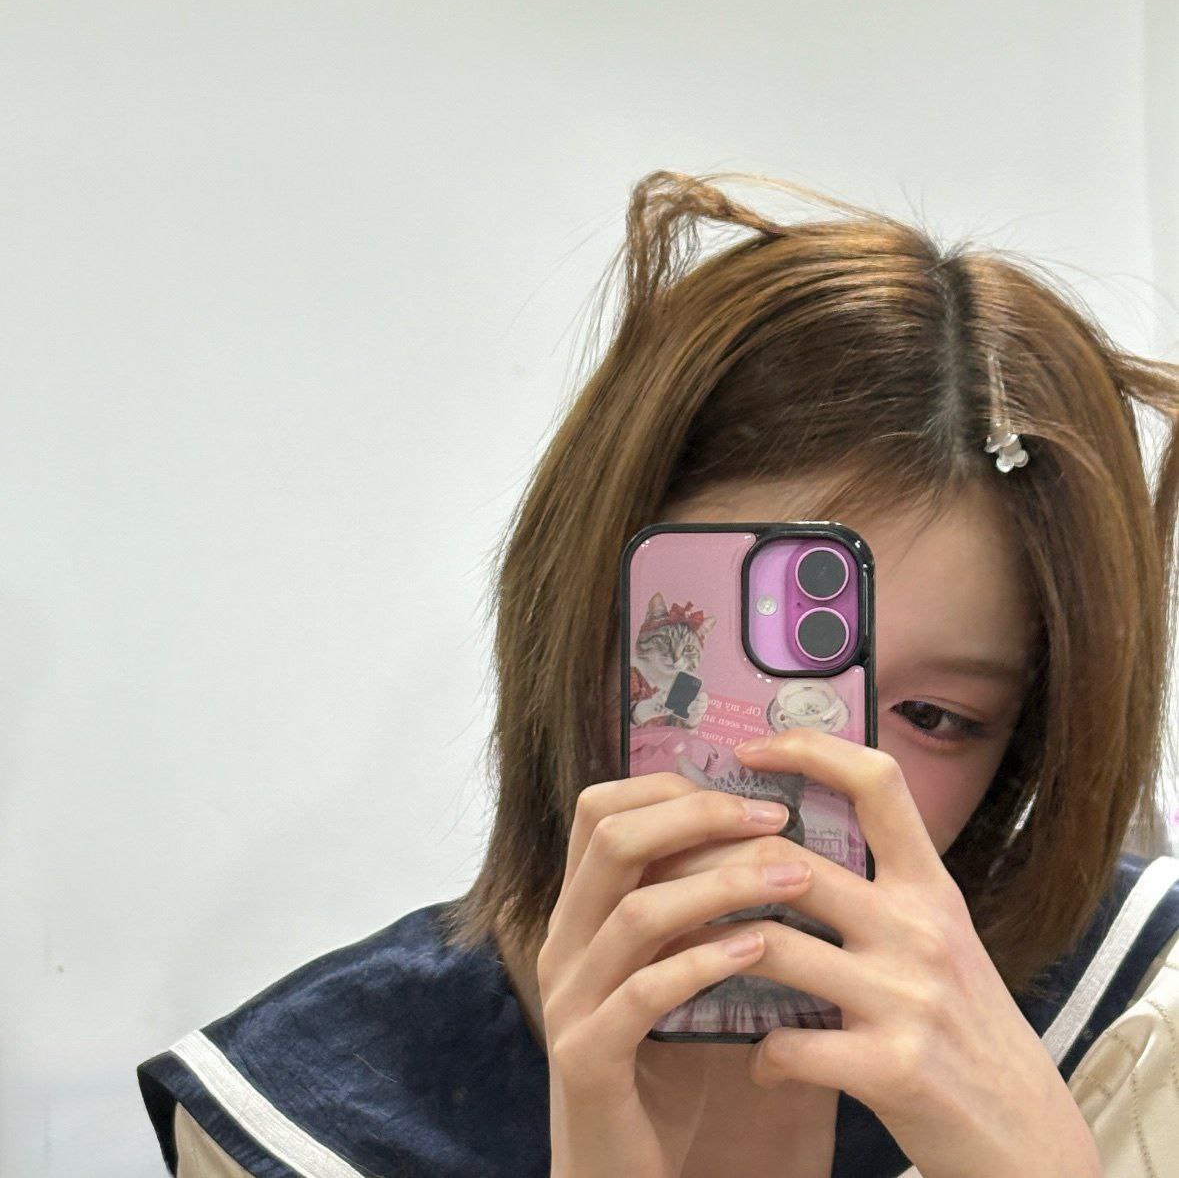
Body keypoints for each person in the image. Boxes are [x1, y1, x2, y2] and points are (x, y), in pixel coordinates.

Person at [137, 171, 1179, 1178]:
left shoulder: (1141, 1019)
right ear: (577, 608)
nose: (814, 768)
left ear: (1029, 742)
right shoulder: (297, 1113)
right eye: (732, 668)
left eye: (933, 713)